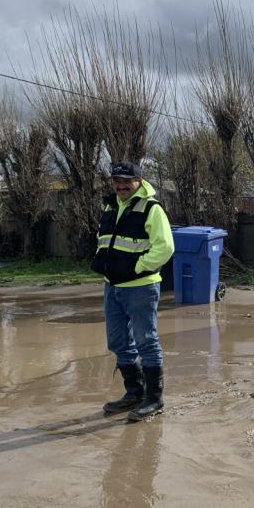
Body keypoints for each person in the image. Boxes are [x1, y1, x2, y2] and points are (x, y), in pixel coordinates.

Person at [92, 161, 175, 422]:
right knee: (117, 342)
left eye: (127, 180)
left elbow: (165, 247)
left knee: (146, 342)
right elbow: (103, 240)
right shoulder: (111, 206)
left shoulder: (152, 209)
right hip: (112, 285)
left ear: (139, 181)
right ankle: (134, 392)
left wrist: (136, 267)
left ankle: (154, 398)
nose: (121, 185)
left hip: (140, 286)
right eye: (117, 180)